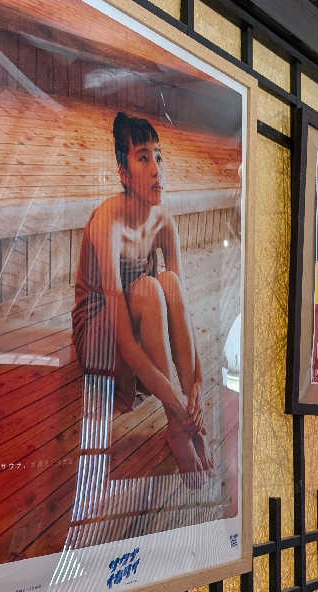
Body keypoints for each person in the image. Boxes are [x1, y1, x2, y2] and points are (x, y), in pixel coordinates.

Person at [72, 112, 213, 485]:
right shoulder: (107, 222)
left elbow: (181, 312)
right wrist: (179, 407)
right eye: (143, 158)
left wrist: (196, 389)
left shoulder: (164, 220)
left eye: (159, 157)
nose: (156, 169)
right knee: (150, 289)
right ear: (123, 172)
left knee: (168, 282)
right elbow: (124, 341)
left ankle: (183, 426)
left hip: (142, 322)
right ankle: (178, 429)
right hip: (101, 336)